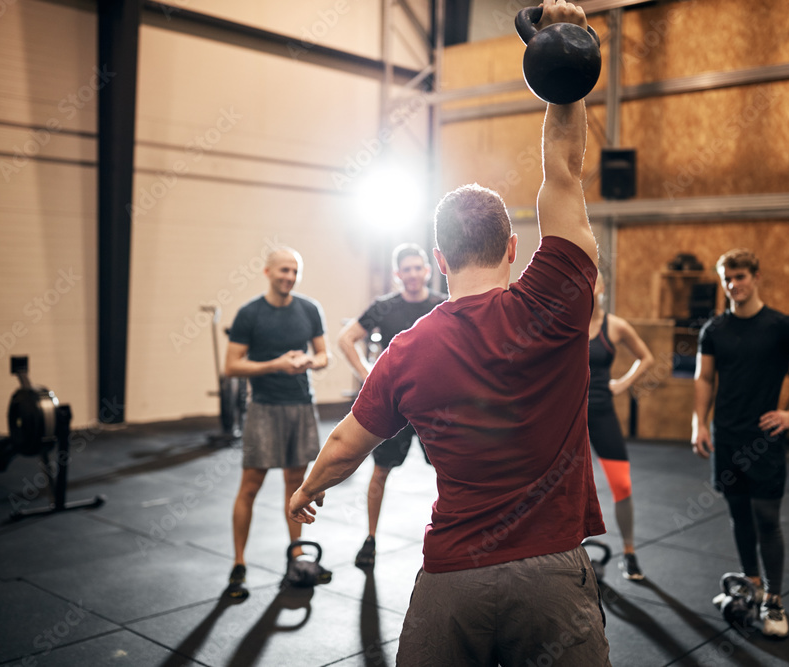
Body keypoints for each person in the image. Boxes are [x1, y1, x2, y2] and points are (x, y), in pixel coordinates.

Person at [289, 2, 611, 663]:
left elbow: (349, 441)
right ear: (515, 247)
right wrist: (565, 62)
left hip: (453, 578)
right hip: (553, 575)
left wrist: (309, 487)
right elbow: (565, 167)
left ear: (438, 259)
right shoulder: (556, 299)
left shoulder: (408, 349)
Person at [692, 248, 789, 638]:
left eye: (740, 277)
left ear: (756, 277)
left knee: (766, 519)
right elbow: (704, 379)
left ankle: (774, 601)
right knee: (738, 515)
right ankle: (751, 588)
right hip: (727, 436)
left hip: (764, 439)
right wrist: (698, 423)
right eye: (727, 279)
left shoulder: (781, 327)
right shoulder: (714, 330)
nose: (733, 285)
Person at [222, 246, 328, 600]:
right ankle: (239, 564)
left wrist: (306, 362)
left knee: (296, 484)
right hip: (264, 408)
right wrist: (275, 365)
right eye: (283, 270)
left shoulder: (309, 309)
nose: (289, 277)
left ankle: (296, 554)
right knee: (250, 487)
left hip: (300, 405)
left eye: (294, 271)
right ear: (268, 272)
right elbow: (232, 366)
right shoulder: (249, 314)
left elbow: (323, 355)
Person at [337, 243, 447, 568]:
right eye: (406, 269)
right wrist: (366, 374)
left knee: (449, 472)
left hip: (433, 406)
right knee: (380, 471)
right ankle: (370, 539)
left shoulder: (442, 305)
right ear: (398, 274)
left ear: (427, 270)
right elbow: (346, 338)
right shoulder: (384, 307)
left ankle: (450, 534)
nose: (412, 274)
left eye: (418, 268)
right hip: (395, 405)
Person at [587, 271, 654, 580]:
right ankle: (564, 553)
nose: (588, 284)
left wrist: (623, 384)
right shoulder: (564, 325)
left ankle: (629, 552)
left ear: (602, 285)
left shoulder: (615, 326)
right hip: (569, 418)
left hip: (602, 412)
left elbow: (646, 358)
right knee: (565, 487)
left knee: (622, 484)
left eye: (593, 279)